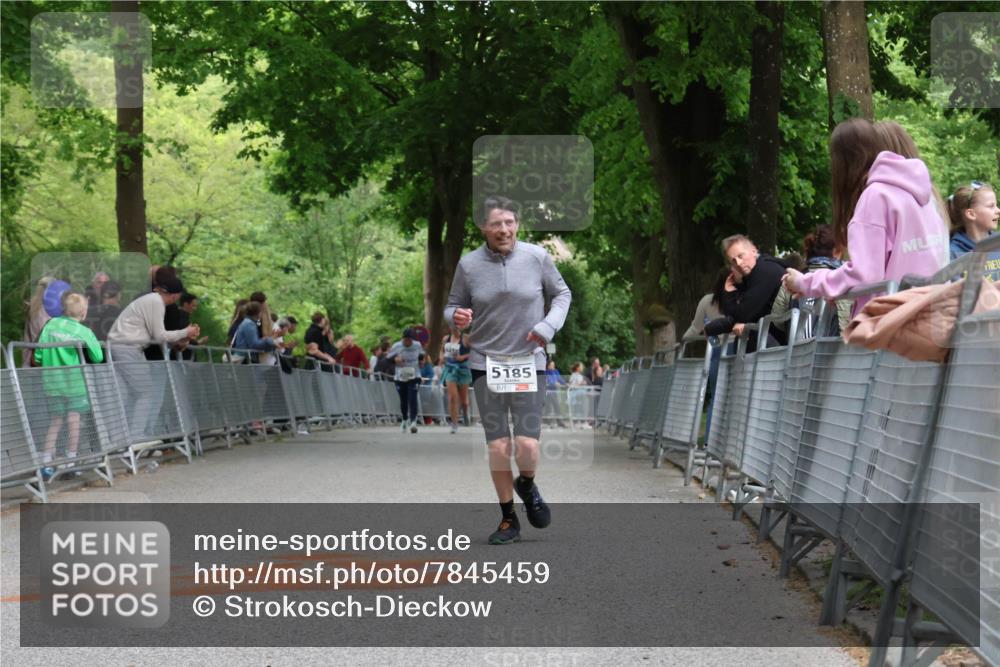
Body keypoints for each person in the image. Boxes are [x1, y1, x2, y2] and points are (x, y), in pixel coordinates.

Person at [445, 195, 572, 545]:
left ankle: (526, 484)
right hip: (485, 362)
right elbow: (452, 306)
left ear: (517, 224)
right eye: (496, 224)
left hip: (529, 360)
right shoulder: (469, 265)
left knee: (527, 445)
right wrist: (456, 317)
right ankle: (508, 518)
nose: (504, 229)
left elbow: (562, 294)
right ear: (483, 227)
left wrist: (547, 326)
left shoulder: (537, 257)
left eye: (509, 222)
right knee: (499, 446)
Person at [783, 118, 949, 315]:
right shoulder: (924, 196)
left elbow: (864, 275)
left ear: (842, 164)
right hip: (932, 313)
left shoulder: (875, 197)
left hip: (891, 320)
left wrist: (805, 282)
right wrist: (839, 289)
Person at [107, 274, 199, 439]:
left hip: (124, 346)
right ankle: (136, 436)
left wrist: (182, 337)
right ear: (175, 295)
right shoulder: (156, 302)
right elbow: (159, 336)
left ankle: (120, 437)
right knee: (146, 392)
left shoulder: (151, 300)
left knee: (127, 393)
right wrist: (186, 331)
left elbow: (155, 335)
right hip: (127, 347)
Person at [34, 291, 104, 481]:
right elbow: (98, 357)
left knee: (55, 421)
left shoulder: (50, 325)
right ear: (83, 312)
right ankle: (70, 462)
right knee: (74, 422)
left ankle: (46, 462)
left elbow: (38, 356)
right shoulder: (83, 331)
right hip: (74, 384)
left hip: (52, 383)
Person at [704, 234, 787, 350]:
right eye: (733, 260)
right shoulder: (756, 273)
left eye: (740, 256)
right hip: (780, 338)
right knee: (743, 336)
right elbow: (739, 316)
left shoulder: (765, 271)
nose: (738, 263)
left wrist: (729, 292)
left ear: (753, 251)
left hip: (785, 343)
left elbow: (742, 315)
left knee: (746, 337)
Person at [771, 225, 852, 335]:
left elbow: (777, 319)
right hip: (835, 344)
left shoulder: (791, 279)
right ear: (837, 251)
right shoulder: (845, 279)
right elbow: (848, 322)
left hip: (796, 344)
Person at [947, 181, 1000, 282]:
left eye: (996, 205)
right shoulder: (953, 253)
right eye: (991, 206)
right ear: (971, 214)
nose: (998, 210)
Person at [386, 328, 424, 433]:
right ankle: (404, 419)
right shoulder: (396, 346)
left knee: (413, 397)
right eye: (406, 340)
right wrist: (395, 360)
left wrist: (421, 362)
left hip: (414, 375)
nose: (408, 342)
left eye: (410, 340)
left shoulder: (417, 345)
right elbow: (387, 360)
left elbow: (421, 355)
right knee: (404, 399)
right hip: (400, 376)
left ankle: (413, 421)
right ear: (402, 338)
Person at [439, 326, 472, 433]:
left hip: (463, 370)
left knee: (464, 401)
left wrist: (463, 357)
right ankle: (454, 423)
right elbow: (442, 351)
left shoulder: (466, 338)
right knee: (452, 397)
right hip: (450, 369)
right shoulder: (446, 339)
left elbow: (475, 352)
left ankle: (465, 412)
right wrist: (442, 357)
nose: (454, 328)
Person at [22, 276, 55, 367]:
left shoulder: (34, 307)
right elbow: (46, 336)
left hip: (30, 358)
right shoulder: (45, 311)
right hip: (40, 360)